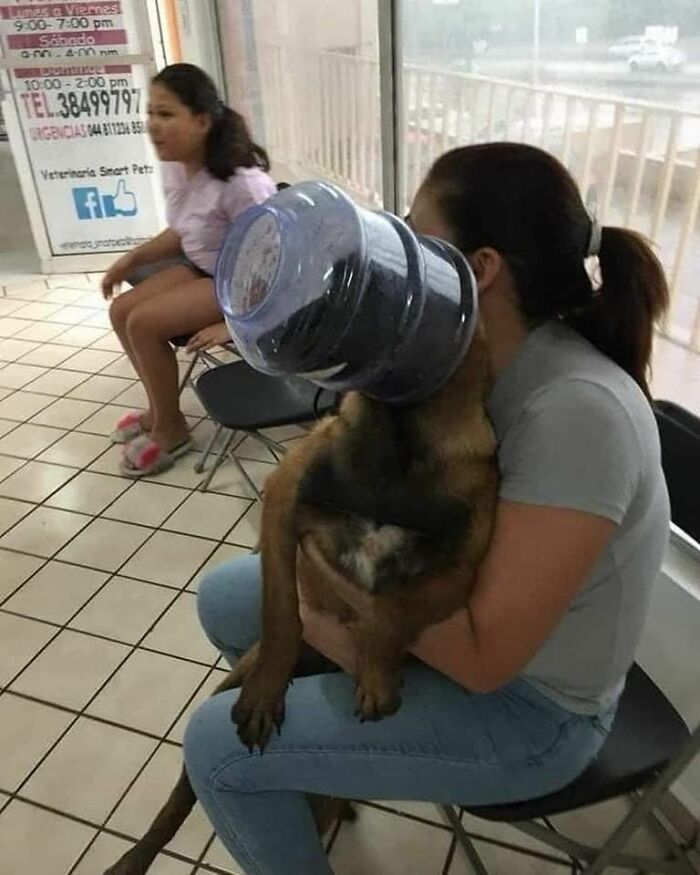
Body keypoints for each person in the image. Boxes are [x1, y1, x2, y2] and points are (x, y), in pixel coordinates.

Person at [183, 143, 671, 875]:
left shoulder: (577, 413)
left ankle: (284, 768)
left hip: (533, 710)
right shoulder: (470, 357)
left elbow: (483, 660)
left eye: (415, 235)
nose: (396, 255)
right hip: (446, 626)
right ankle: (311, 775)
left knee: (217, 750)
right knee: (226, 597)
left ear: (480, 268)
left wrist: (319, 609)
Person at [102, 63, 276, 476]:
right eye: (150, 112)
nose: (152, 124)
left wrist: (235, 325)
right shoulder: (180, 167)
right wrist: (131, 260)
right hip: (204, 267)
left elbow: (275, 263)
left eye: (165, 114)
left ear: (201, 121)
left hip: (241, 284)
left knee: (143, 323)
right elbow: (185, 231)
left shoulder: (242, 185)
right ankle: (159, 410)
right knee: (121, 310)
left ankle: (171, 430)